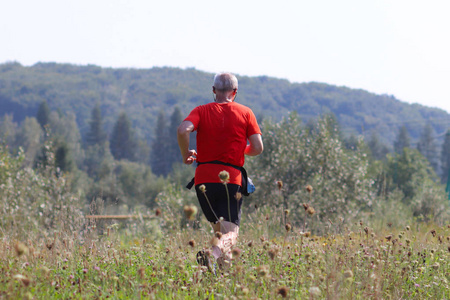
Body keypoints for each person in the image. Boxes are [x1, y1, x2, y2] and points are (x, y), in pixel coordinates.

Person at [177, 72, 263, 270]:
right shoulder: (245, 112)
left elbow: (183, 130)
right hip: (230, 180)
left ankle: (220, 282)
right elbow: (257, 148)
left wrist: (185, 155)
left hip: (203, 180)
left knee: (221, 233)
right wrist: (243, 149)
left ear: (214, 90)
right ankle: (210, 254)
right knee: (231, 234)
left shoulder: (201, 110)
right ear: (235, 92)